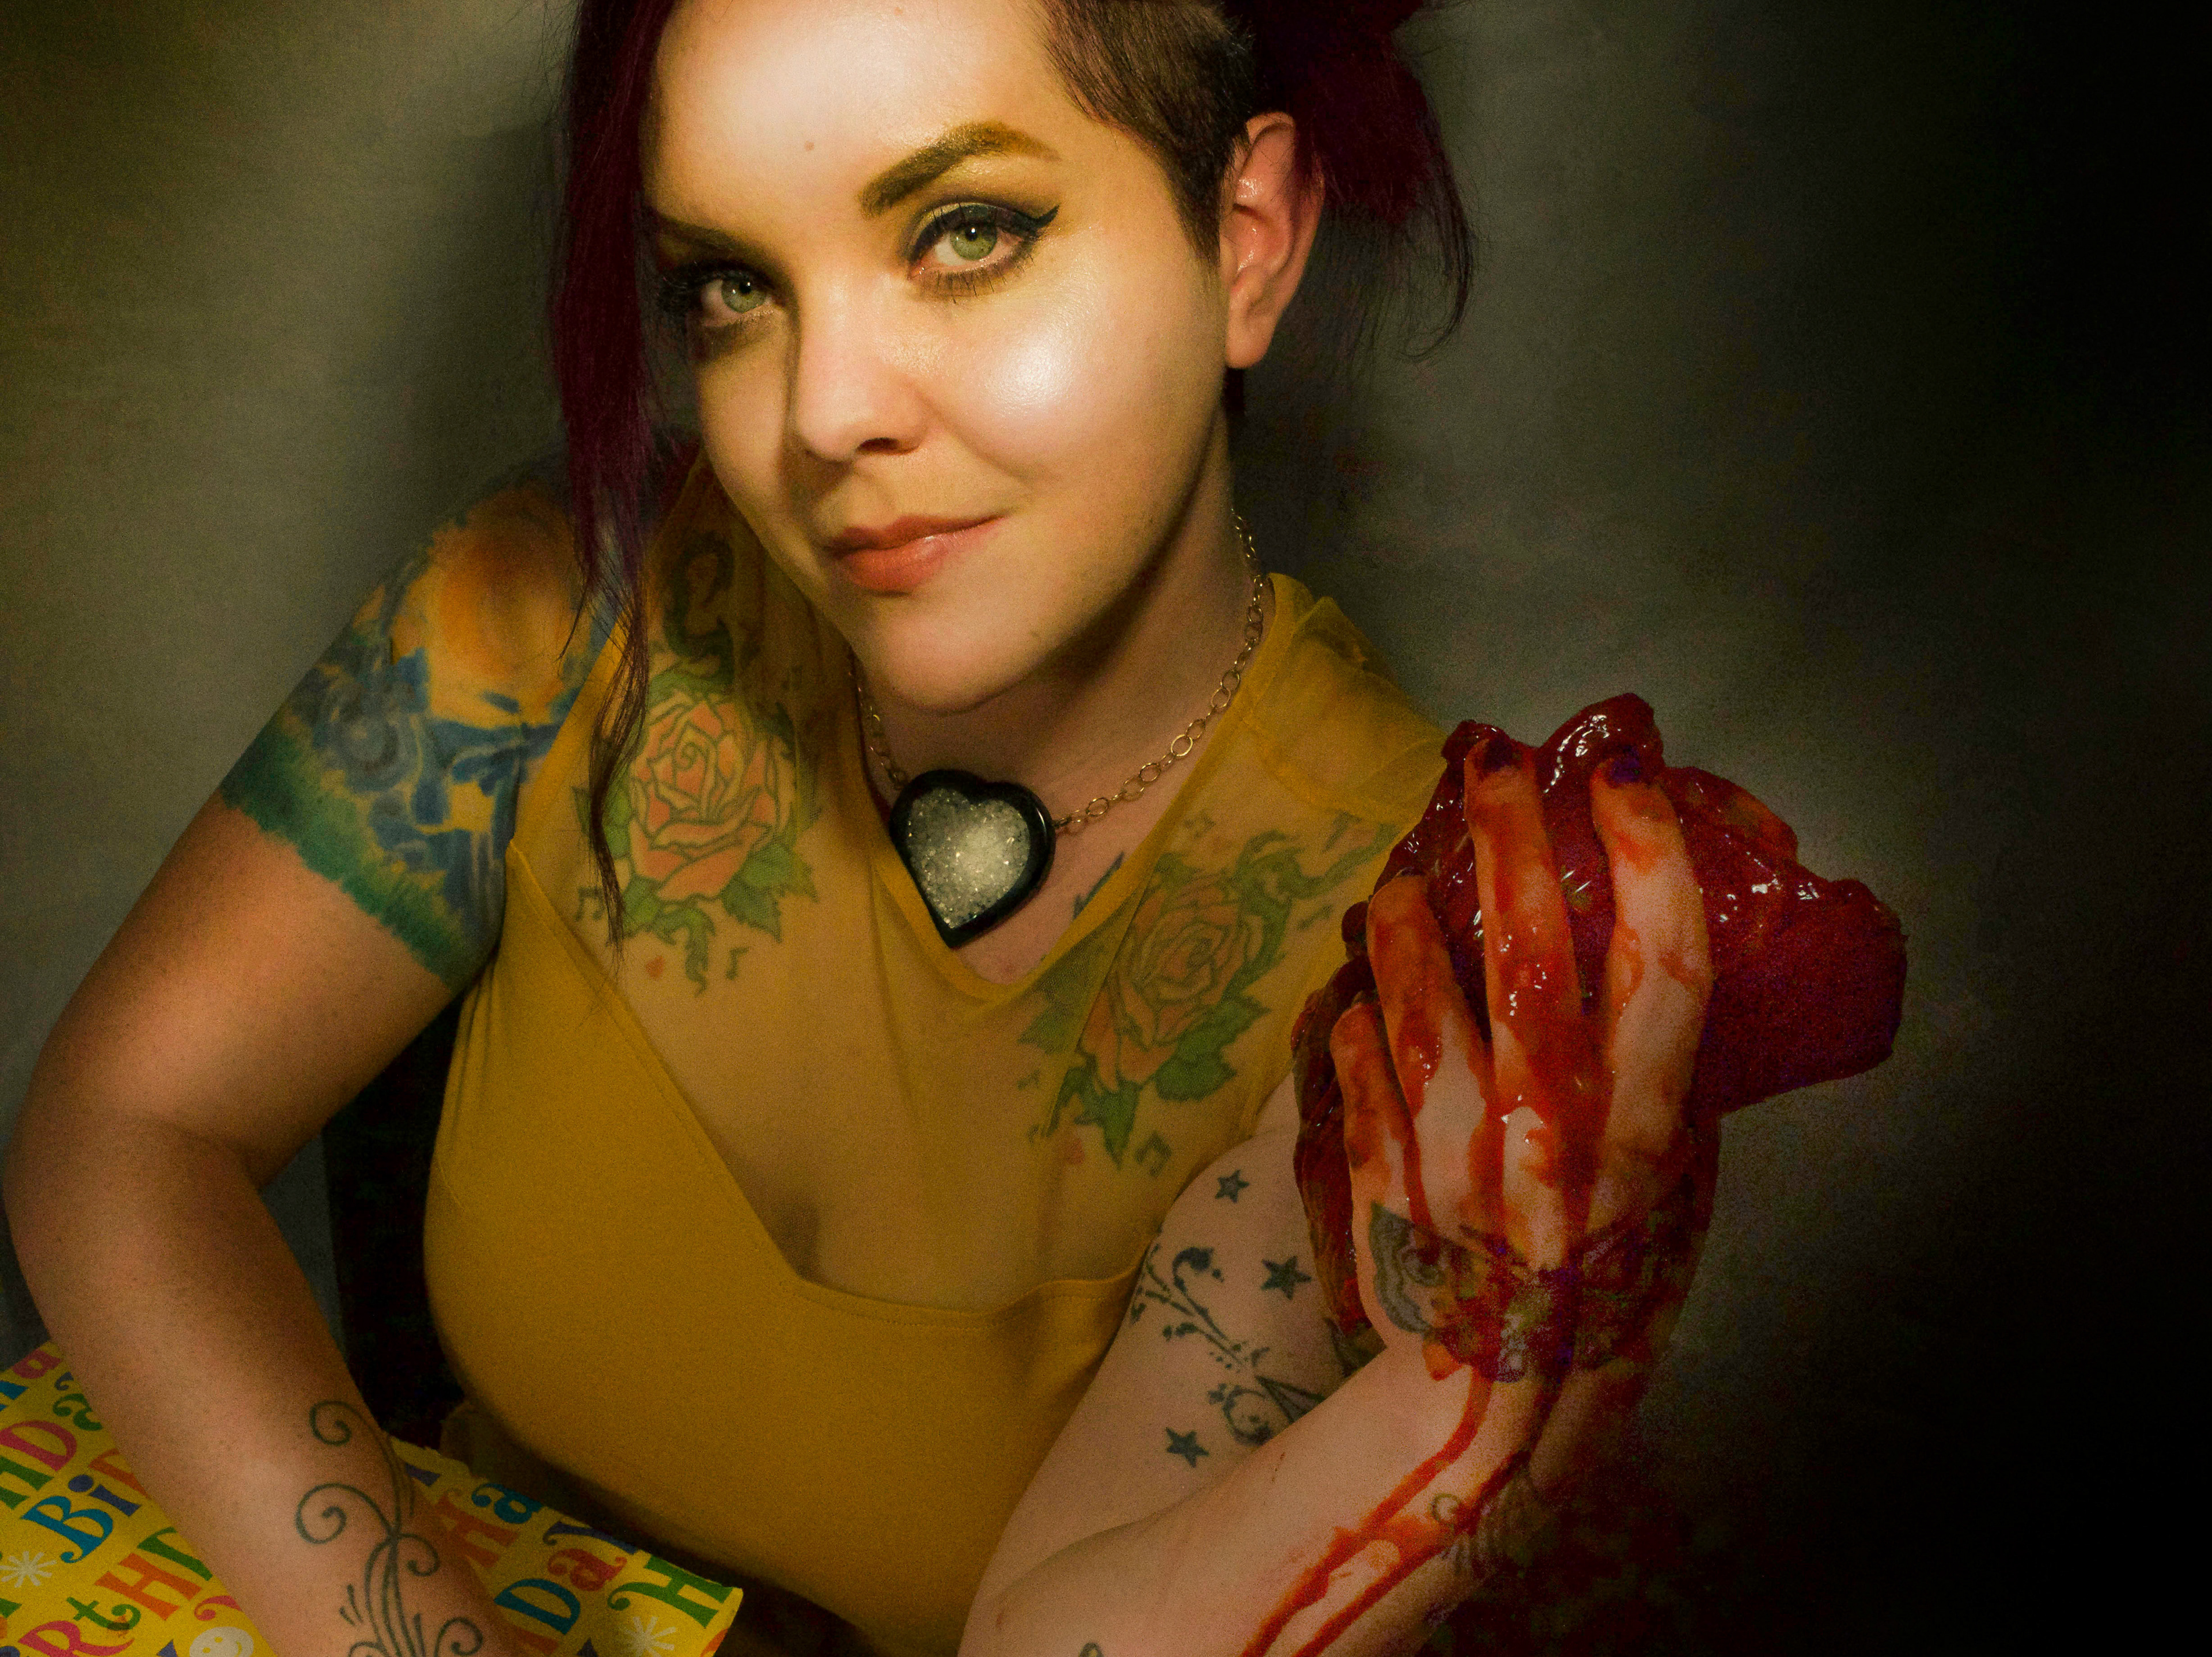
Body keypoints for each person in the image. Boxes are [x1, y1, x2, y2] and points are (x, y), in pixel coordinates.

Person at [5, 2, 1714, 1654]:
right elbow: (124, 1129)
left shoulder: (1418, 941)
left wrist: (1481, 1410)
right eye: (732, 286)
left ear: (1247, 238)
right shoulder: (572, 599)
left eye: (966, 234)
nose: (824, 413)